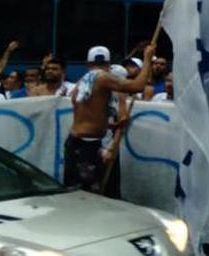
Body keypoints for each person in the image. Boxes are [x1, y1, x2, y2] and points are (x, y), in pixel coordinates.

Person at [65, 44, 157, 194]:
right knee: (93, 197)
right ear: (108, 64)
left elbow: (88, 113)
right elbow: (137, 86)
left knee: (78, 194)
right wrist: (147, 59)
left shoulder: (82, 82)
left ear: (88, 63)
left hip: (77, 142)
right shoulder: (102, 77)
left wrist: (108, 125)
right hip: (89, 146)